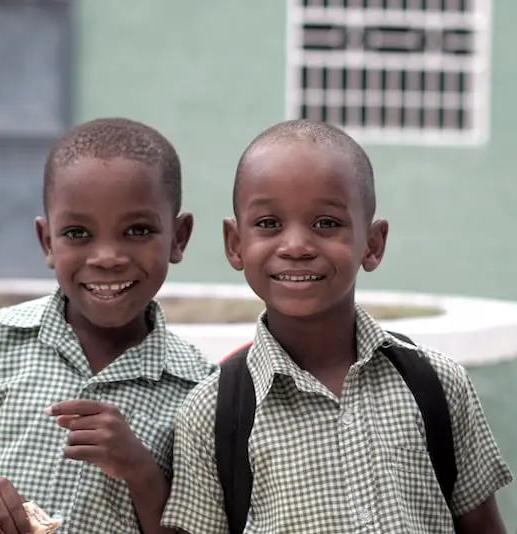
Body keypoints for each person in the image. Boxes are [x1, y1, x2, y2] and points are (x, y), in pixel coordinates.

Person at [161, 119, 512, 534]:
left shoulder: (437, 384)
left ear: (373, 243)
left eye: (326, 223)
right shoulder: (212, 413)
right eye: (269, 224)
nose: (295, 247)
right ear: (235, 244)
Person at [0, 117, 215, 534]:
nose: (107, 257)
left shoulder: (198, 388)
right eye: (77, 233)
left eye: (137, 230)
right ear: (47, 241)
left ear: (178, 237)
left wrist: (139, 468)